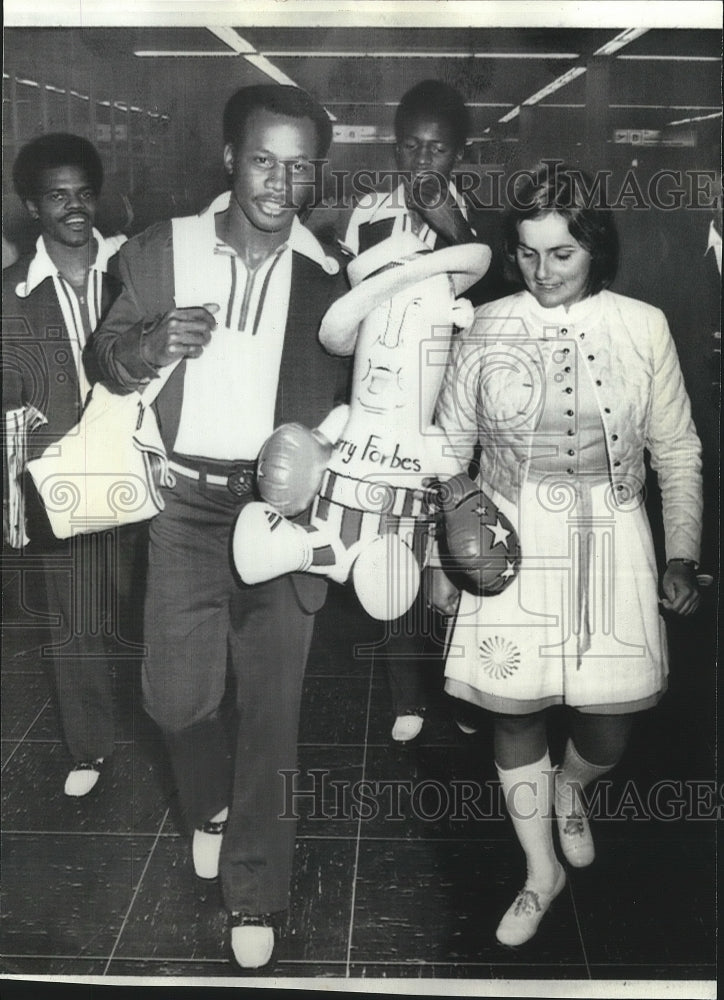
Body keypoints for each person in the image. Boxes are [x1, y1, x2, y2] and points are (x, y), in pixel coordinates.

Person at [86, 85, 349, 970]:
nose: (281, 181)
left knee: (272, 713)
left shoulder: (329, 275)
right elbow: (107, 359)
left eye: (301, 164)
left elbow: (360, 401)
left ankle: (255, 891)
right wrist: (152, 345)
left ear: (317, 173)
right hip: (188, 508)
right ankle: (205, 805)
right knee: (174, 696)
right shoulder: (166, 249)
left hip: (284, 511)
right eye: (265, 159)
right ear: (231, 159)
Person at [435, 163, 703, 947]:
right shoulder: (487, 327)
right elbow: (450, 449)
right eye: (526, 254)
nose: (542, 272)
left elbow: (677, 449)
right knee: (514, 711)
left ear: (595, 247)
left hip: (613, 535)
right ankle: (538, 871)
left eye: (561, 254)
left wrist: (682, 554)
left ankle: (572, 789)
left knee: (609, 723)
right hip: (510, 536)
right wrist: (440, 557)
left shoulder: (642, 325)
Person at [344, 79, 508, 743]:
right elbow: (354, 314)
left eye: (436, 149)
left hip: (461, 410)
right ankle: (406, 694)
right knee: (392, 547)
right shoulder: (367, 212)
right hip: (393, 407)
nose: (421, 161)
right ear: (394, 146)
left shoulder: (484, 223)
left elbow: (497, 314)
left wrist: (454, 231)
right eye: (410, 146)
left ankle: (467, 682)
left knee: (461, 549)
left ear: (458, 152)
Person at [2, 132, 144, 798]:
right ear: (33, 206)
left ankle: (179, 721)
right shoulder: (12, 292)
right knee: (73, 615)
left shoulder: (136, 267)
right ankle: (89, 747)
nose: (75, 208)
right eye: (58, 196)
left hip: (144, 461)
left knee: (148, 603)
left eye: (85, 192)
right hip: (63, 474)